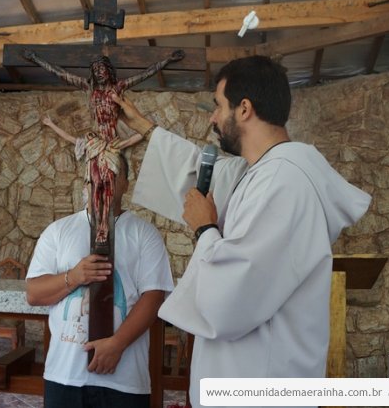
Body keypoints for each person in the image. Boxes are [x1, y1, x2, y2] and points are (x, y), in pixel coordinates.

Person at [113, 55, 371, 408]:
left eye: (218, 106)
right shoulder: (263, 171)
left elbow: (235, 290)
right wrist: (147, 129)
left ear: (244, 109)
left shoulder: (283, 181)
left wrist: (205, 228)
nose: (213, 118)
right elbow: (202, 170)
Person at [26, 154, 174, 408]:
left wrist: (117, 344)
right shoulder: (58, 231)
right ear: (85, 183)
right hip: (65, 375)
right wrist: (73, 277)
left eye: (112, 174)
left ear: (126, 183)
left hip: (124, 378)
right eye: (94, 174)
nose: (102, 181)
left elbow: (153, 297)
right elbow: (34, 293)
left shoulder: (145, 234)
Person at [24, 49, 184, 246]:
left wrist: (167, 60)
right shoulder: (89, 87)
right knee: (95, 182)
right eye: (95, 69)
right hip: (95, 144)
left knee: (108, 184)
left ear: (109, 70)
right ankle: (96, 223)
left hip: (112, 145)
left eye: (102, 68)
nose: (99, 72)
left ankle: (104, 227)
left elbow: (144, 74)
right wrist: (36, 59)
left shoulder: (118, 88)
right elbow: (60, 73)